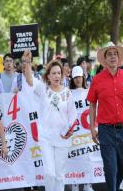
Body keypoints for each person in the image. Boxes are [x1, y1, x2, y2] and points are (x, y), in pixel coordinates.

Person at [87, 42, 123, 191]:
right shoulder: (97, 79)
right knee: (110, 168)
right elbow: (92, 105)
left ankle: (115, 187)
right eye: (109, 54)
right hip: (106, 131)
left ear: (118, 58)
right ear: (104, 59)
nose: (113, 57)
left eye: (115, 54)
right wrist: (93, 128)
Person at [28, 56, 77, 191]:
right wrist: (27, 63)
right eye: (53, 73)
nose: (56, 76)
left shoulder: (67, 93)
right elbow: (29, 80)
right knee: (50, 173)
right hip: (46, 138)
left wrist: (71, 129)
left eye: (59, 73)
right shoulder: (43, 89)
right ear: (48, 76)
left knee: (59, 176)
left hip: (62, 138)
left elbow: (73, 115)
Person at [70, 66, 94, 191]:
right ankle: (75, 182)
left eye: (79, 77)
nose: (78, 79)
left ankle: (88, 183)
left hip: (88, 132)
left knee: (89, 157)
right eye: (75, 77)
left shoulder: (89, 91)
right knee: (75, 157)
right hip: (75, 132)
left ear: (83, 78)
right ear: (72, 79)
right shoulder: (68, 94)